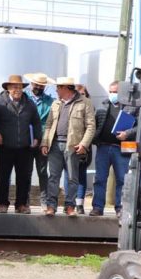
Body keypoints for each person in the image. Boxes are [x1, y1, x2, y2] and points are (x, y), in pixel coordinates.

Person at [41, 77, 95, 216]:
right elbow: (48, 125)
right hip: (54, 145)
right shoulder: (56, 103)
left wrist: (84, 144)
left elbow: (90, 126)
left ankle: (69, 206)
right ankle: (51, 206)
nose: (56, 90)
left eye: (58, 87)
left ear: (66, 88)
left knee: (72, 177)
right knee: (53, 177)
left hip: (73, 146)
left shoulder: (85, 102)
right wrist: (45, 142)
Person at [0, 75, 42, 214]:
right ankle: (2, 203)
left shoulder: (29, 103)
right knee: (3, 176)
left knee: (24, 178)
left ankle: (21, 204)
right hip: (5, 147)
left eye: (20, 87)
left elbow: (36, 122)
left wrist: (37, 138)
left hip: (24, 148)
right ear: (8, 88)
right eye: (14, 87)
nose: (17, 90)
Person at [90, 80, 137, 217]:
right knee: (99, 178)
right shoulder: (103, 105)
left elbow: (138, 126)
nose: (112, 94)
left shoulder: (131, 107)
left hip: (120, 149)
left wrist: (126, 134)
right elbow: (95, 124)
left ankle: (120, 208)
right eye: (110, 91)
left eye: (115, 92)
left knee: (122, 179)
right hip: (103, 147)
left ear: (122, 92)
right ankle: (97, 207)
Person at [24, 72, 55, 208]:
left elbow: (51, 122)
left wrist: (45, 141)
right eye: (36, 84)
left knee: (42, 171)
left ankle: (44, 199)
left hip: (42, 140)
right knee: (26, 171)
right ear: (31, 84)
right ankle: (25, 199)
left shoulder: (50, 101)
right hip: (25, 139)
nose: (39, 87)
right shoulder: (24, 98)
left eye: (42, 86)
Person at [73, 84, 92, 214]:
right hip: (71, 145)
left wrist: (84, 144)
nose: (81, 97)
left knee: (81, 175)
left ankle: (79, 204)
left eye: (84, 94)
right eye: (79, 94)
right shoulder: (68, 107)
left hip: (84, 146)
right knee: (69, 175)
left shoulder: (90, 107)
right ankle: (69, 203)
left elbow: (92, 128)